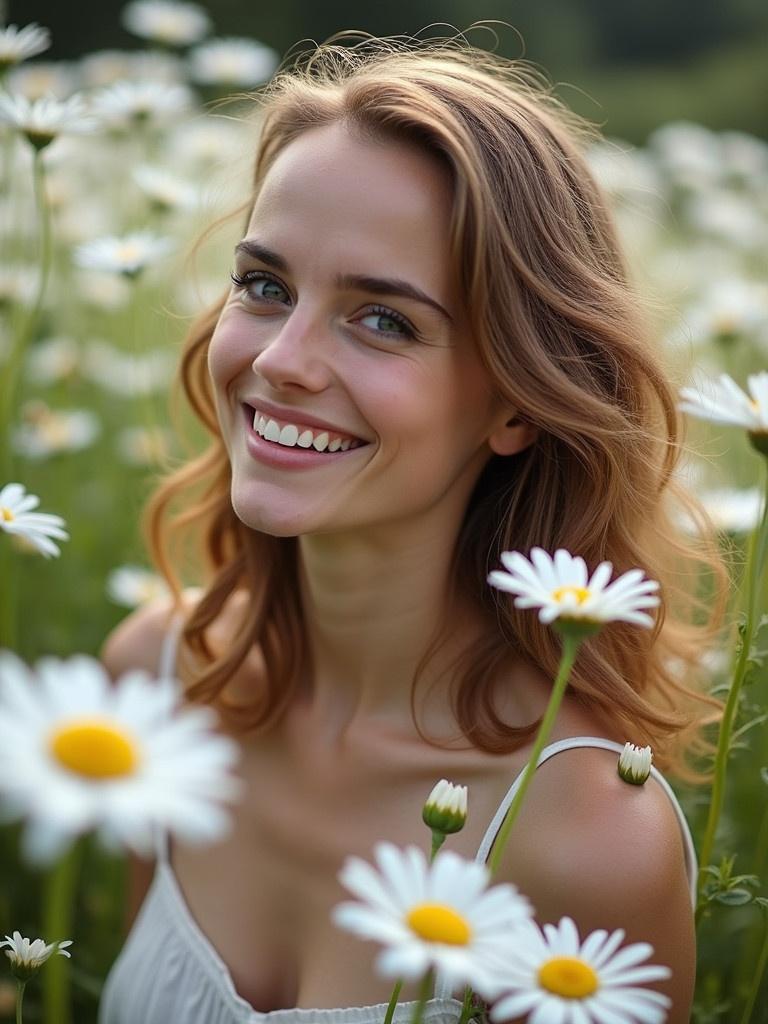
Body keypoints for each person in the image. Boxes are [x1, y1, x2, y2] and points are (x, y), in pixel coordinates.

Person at [97, 31, 726, 1024]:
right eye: (266, 286)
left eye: (383, 319)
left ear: (517, 403)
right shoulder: (150, 691)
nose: (282, 361)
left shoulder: (582, 839)